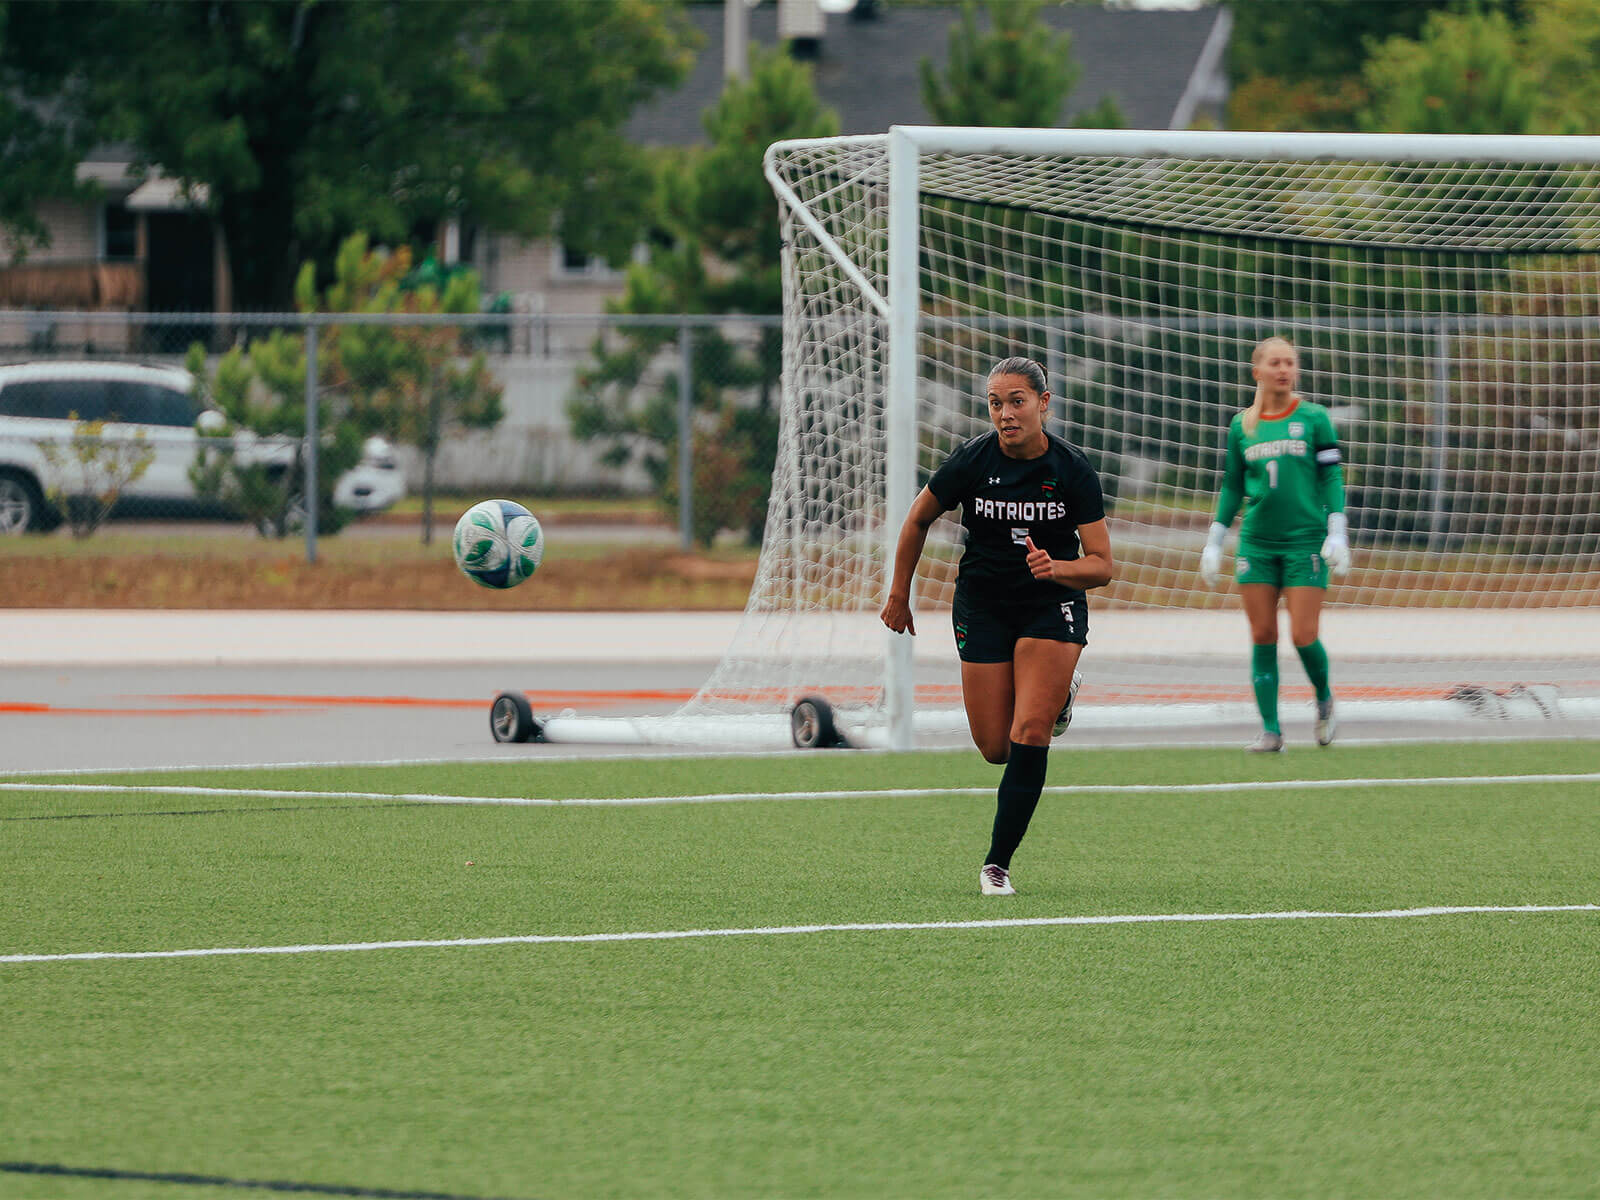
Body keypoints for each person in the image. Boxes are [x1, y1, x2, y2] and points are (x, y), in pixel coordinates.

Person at [880, 356, 1113, 896]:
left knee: (1030, 732)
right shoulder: (971, 460)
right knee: (995, 747)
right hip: (983, 604)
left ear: (1043, 404)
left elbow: (1102, 566)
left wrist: (1058, 569)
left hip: (1050, 605)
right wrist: (898, 593)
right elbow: (917, 518)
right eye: (995, 403)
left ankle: (997, 865)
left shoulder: (1072, 469)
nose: (1005, 413)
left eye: (1016, 401)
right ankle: (1060, 699)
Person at [1199, 336, 1350, 753]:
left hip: (1305, 542)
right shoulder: (1241, 426)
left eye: (1289, 362)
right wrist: (1215, 539)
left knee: (1303, 635)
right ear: (1258, 371)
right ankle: (1271, 731)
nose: (1283, 370)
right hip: (1257, 544)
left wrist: (1337, 528)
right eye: (1275, 363)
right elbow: (1232, 485)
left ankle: (1324, 699)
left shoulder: (1315, 418)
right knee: (1263, 633)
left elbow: (1331, 476)